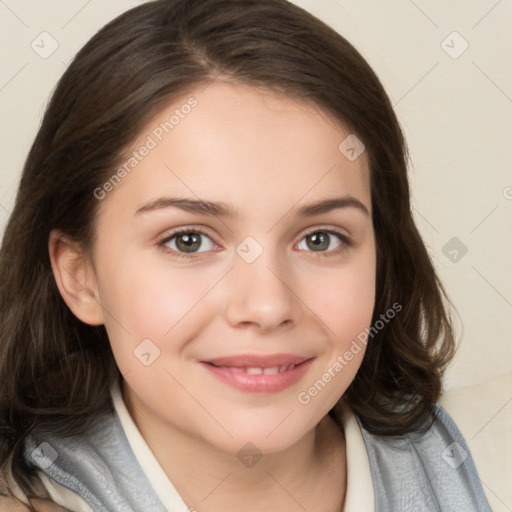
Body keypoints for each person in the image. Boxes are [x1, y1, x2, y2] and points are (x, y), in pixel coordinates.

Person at [0, 0, 491, 510]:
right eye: (188, 240)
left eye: (320, 239)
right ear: (81, 277)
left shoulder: (486, 461)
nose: (266, 305)